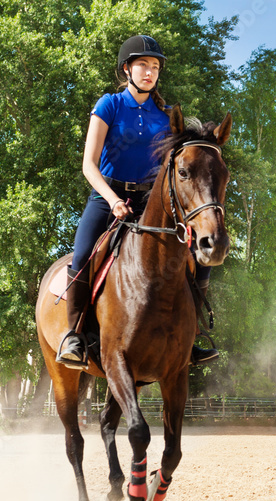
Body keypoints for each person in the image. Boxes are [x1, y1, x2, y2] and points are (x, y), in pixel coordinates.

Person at [56, 34, 219, 370]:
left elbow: (178, 168)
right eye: (143, 64)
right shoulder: (109, 106)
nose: (150, 71)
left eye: (155, 66)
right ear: (127, 69)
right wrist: (113, 199)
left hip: (152, 200)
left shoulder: (167, 114)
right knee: (84, 252)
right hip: (108, 195)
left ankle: (194, 335)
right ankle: (73, 335)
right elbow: (89, 164)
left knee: (196, 255)